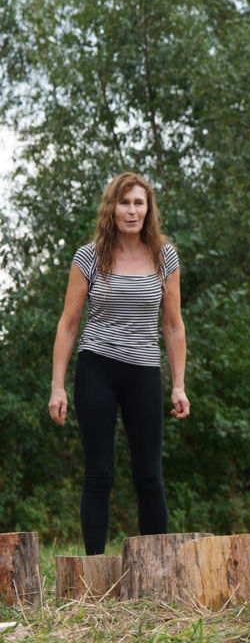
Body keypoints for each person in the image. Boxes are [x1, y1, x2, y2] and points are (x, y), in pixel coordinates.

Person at [48, 172, 189, 555]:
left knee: (149, 476)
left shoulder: (165, 257)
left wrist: (178, 385)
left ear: (148, 209)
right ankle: (93, 570)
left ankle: (157, 570)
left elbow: (173, 326)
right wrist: (57, 387)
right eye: (124, 202)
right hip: (97, 367)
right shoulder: (89, 257)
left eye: (138, 203)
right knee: (99, 474)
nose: (131, 211)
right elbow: (68, 324)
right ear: (111, 208)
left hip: (144, 371)